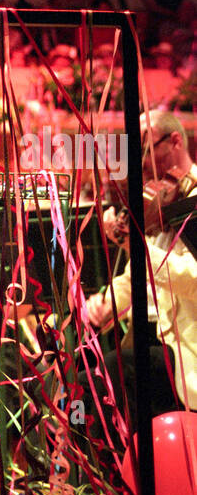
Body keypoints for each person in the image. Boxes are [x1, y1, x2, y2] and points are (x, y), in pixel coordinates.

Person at [86, 112, 197, 425]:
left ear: (175, 141)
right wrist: (107, 304)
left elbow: (192, 279)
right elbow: (136, 277)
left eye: (146, 148)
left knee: (101, 380)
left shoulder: (194, 201)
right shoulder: (156, 200)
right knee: (72, 368)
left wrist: (133, 243)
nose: (141, 162)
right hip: (143, 338)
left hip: (182, 350)